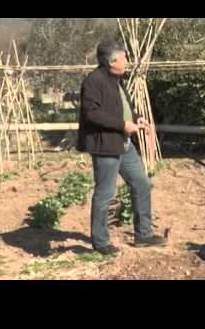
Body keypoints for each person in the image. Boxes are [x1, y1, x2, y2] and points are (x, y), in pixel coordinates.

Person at [77, 39, 166, 255]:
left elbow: (122, 107)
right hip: (105, 145)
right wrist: (124, 125)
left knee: (141, 183)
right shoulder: (93, 81)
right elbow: (92, 114)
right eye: (124, 57)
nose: (127, 61)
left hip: (123, 144)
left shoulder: (117, 79)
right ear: (112, 61)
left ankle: (143, 235)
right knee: (105, 194)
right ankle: (100, 243)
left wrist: (137, 118)